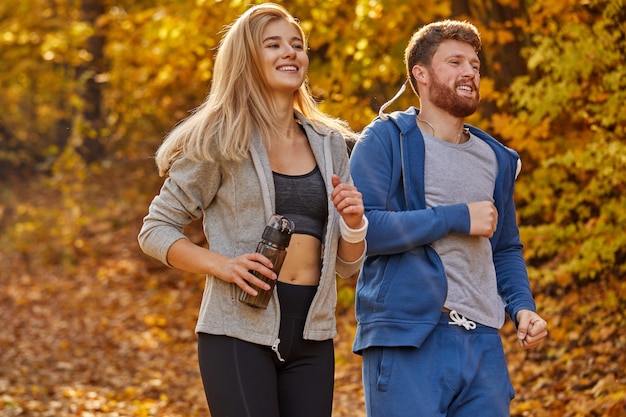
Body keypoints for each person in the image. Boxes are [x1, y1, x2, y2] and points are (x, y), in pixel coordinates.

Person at [137, 4, 367, 417]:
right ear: (246, 58)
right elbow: (155, 229)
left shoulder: (330, 144)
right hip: (236, 332)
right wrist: (223, 265)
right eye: (274, 44)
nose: (290, 53)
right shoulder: (221, 140)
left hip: (312, 335)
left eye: (297, 45)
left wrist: (354, 224)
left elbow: (347, 267)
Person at [349, 20, 548, 417]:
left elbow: (505, 247)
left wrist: (522, 306)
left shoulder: (496, 158)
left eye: (474, 64)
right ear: (420, 74)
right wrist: (456, 217)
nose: (470, 72)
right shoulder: (386, 138)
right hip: (409, 338)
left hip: (483, 345)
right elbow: (364, 229)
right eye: (455, 61)